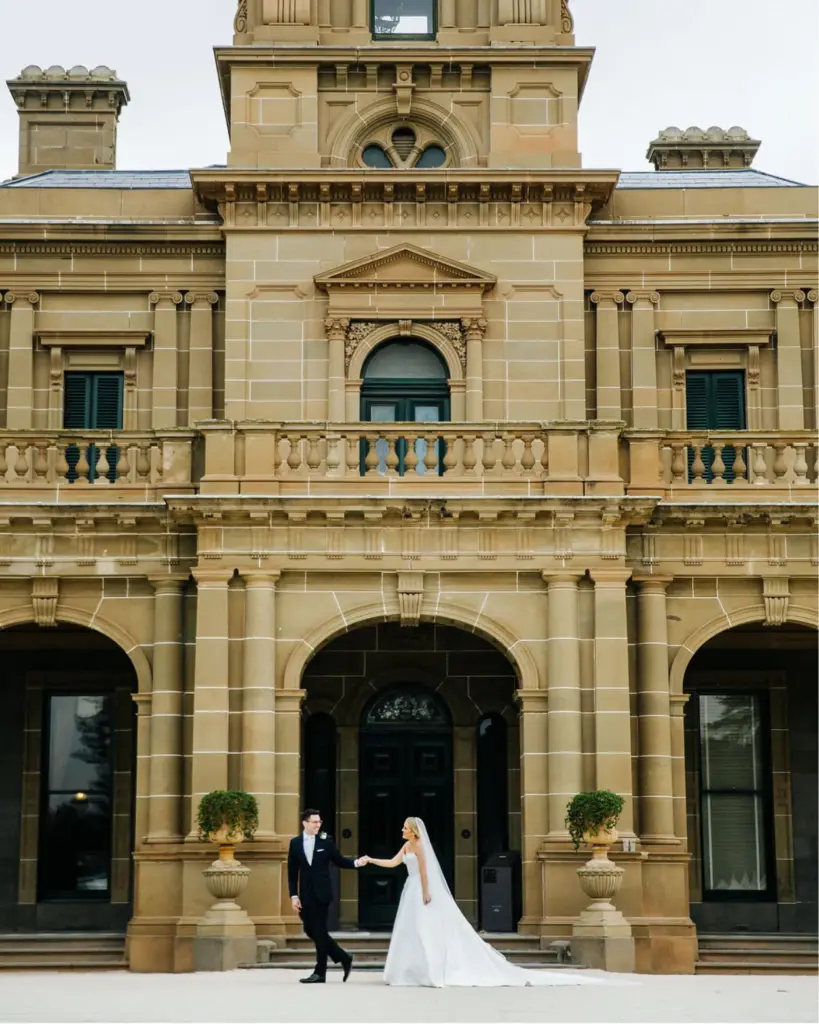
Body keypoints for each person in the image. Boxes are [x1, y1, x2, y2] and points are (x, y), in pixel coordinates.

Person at [361, 817, 607, 988]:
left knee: (426, 929)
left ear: (413, 831)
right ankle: (410, 971)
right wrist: (371, 859)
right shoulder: (406, 846)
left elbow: (425, 872)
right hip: (410, 889)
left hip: (419, 889)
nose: (402, 830)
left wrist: (426, 893)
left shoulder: (421, 847)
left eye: (405, 828)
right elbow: (393, 863)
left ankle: (432, 970)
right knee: (411, 931)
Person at [288, 808, 366, 984]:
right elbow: (292, 872)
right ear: (305, 823)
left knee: (320, 930)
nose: (318, 825)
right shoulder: (295, 843)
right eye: (315, 822)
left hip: (322, 893)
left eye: (319, 822)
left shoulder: (326, 841)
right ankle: (343, 956)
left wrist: (356, 862)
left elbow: (338, 860)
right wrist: (293, 895)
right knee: (310, 929)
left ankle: (320, 971)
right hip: (305, 894)